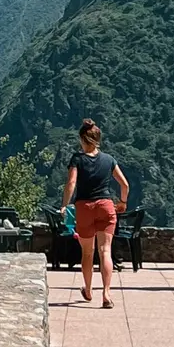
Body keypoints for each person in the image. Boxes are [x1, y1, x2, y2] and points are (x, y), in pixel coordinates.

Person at [59, 119, 130, 309]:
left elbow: (71, 183)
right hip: (106, 206)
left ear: (82, 139)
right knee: (105, 251)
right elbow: (124, 184)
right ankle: (106, 293)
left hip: (84, 208)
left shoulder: (77, 159)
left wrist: (65, 205)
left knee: (87, 252)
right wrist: (122, 203)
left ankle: (88, 290)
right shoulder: (109, 160)